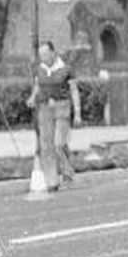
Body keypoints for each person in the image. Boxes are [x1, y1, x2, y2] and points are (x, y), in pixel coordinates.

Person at [27, 40, 75, 192]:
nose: (44, 57)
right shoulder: (39, 69)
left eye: (46, 54)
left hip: (62, 106)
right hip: (44, 108)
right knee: (46, 145)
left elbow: (74, 90)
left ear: (54, 53)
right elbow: (37, 86)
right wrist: (32, 98)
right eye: (41, 55)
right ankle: (51, 180)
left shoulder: (66, 68)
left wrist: (78, 111)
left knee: (59, 143)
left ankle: (67, 172)